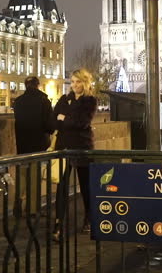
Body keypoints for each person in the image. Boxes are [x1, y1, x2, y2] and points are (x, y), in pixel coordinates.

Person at [52, 68, 97, 240]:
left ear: (85, 83)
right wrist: (67, 121)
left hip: (82, 148)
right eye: (72, 82)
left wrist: (65, 119)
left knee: (85, 186)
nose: (75, 85)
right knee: (61, 187)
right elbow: (53, 119)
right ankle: (58, 223)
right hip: (64, 147)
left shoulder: (90, 100)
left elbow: (83, 123)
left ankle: (89, 217)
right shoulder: (65, 99)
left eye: (78, 82)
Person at [12, 76, 55, 215]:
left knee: (22, 174)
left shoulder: (18, 102)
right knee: (35, 177)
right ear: (38, 85)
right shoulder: (43, 101)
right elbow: (49, 125)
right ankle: (32, 209)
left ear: (25, 86)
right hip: (38, 144)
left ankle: (18, 201)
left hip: (22, 144)